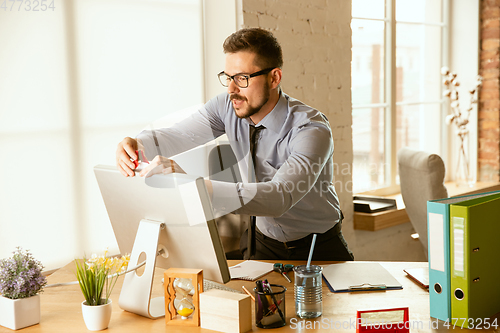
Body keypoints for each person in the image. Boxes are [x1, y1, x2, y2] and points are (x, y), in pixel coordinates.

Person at [116, 28, 353, 261]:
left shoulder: (311, 128)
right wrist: (137, 144)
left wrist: (195, 186)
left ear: (274, 78)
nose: (231, 89)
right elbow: (178, 135)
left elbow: (280, 197)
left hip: (318, 248)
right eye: (228, 78)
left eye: (242, 78)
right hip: (263, 244)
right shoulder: (226, 107)